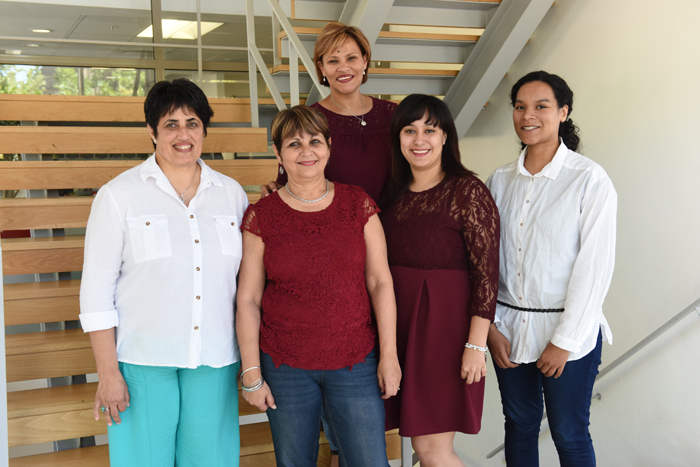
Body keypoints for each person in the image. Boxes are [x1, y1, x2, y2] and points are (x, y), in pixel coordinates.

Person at [79, 78, 248, 467]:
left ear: (205, 130)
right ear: (152, 131)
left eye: (192, 123)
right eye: (171, 124)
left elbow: (243, 282)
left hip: (215, 357)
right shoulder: (118, 195)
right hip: (143, 360)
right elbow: (96, 291)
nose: (182, 134)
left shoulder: (232, 194)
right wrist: (108, 373)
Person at [236, 105, 401, 467]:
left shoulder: (357, 204)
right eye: (293, 144)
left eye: (314, 140)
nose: (306, 151)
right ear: (278, 153)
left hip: (356, 360)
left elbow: (380, 282)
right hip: (285, 365)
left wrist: (389, 355)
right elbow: (248, 298)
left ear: (328, 146)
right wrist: (251, 372)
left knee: (371, 461)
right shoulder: (262, 216)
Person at [486, 71, 617, 467]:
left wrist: (565, 341)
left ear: (563, 112)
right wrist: (490, 328)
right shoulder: (499, 180)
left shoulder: (589, 179)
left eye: (541, 106)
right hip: (508, 329)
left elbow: (594, 268)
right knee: (519, 424)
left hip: (567, 333)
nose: (529, 115)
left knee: (568, 432)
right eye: (520, 106)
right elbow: (485, 262)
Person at [380, 94, 500, 467]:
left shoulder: (468, 191)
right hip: (400, 325)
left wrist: (476, 345)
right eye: (410, 130)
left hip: (445, 332)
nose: (419, 140)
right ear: (398, 138)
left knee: (433, 449)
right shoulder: (393, 194)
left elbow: (487, 274)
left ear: (446, 136)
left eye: (430, 130)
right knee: (419, 447)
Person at [262, 21, 397, 204]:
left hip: (394, 225)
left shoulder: (394, 115)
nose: (343, 68)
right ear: (322, 67)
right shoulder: (307, 121)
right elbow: (289, 180)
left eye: (351, 58)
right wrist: (275, 189)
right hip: (335, 228)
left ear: (364, 61)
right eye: (333, 61)